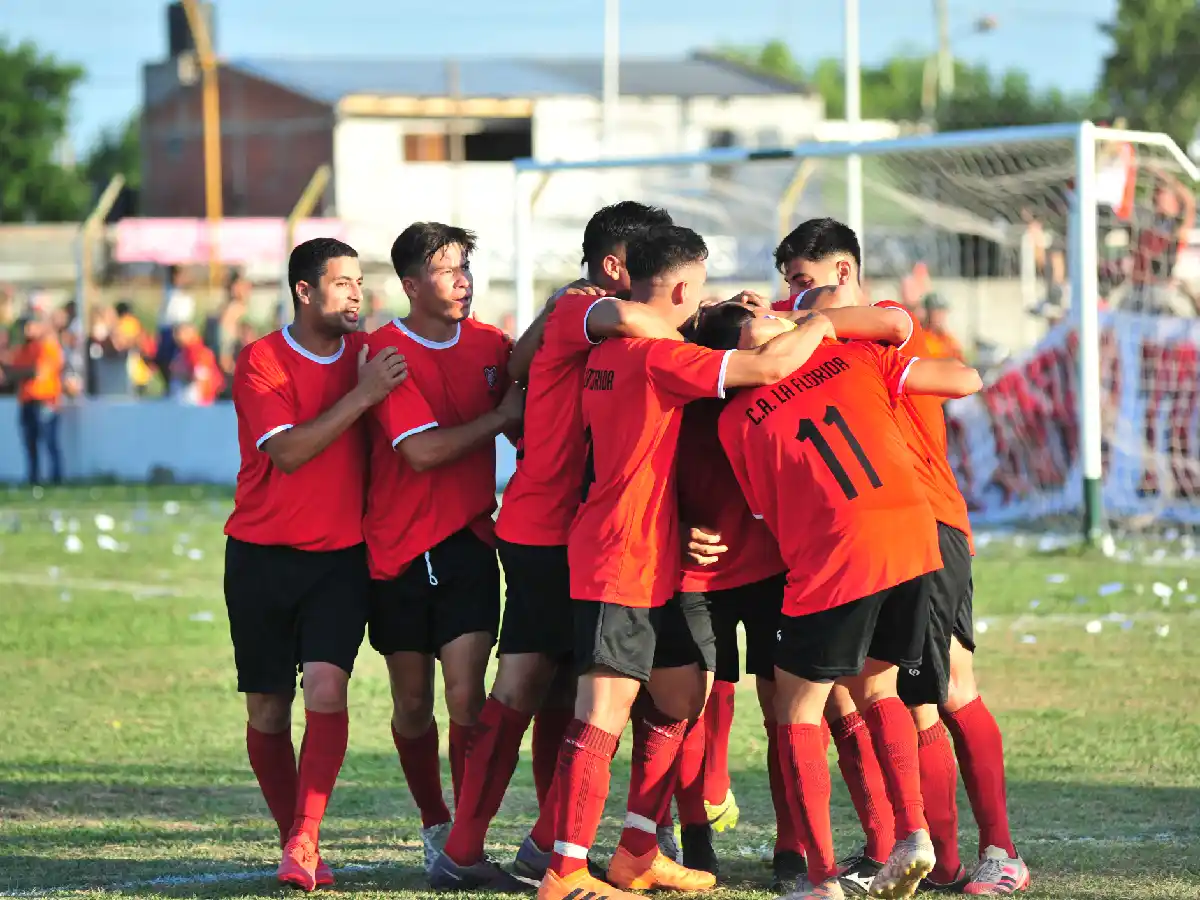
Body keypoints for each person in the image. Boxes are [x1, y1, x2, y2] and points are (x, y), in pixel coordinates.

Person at [536, 224, 841, 900]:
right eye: (697, 290)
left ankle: (639, 850)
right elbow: (764, 368)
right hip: (618, 555)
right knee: (602, 712)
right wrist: (816, 321)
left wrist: (712, 315)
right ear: (680, 288)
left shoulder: (613, 345)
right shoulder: (654, 356)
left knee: (680, 693)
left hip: (651, 559)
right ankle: (564, 869)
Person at [689, 301, 981, 900]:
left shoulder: (736, 419)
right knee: (880, 688)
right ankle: (913, 835)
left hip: (841, 547)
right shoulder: (847, 355)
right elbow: (927, 350)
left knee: (797, 710)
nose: (773, 313)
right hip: (914, 535)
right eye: (757, 316)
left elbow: (767, 512)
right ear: (742, 349)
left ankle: (819, 877)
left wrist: (818, 323)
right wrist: (825, 328)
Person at [773, 218, 1028, 896]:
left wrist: (800, 315)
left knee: (948, 690)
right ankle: (925, 853)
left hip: (930, 523)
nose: (795, 295)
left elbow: (962, 374)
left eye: (806, 280)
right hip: (870, 536)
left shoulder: (881, 320)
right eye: (788, 284)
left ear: (845, 273)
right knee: (887, 694)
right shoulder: (823, 340)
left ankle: (999, 851)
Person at [428, 202, 680, 889]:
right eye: (649, 262)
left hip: (574, 527)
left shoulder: (583, 316)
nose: (660, 279)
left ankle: (546, 841)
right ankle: (469, 848)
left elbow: (519, 364)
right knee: (532, 685)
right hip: (548, 529)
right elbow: (543, 353)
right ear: (612, 266)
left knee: (570, 688)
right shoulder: (587, 308)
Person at [223, 237, 408, 891]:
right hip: (260, 558)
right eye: (341, 283)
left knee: (327, 689)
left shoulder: (372, 353)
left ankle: (304, 839)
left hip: (340, 559)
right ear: (304, 291)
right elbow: (291, 453)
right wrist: (361, 397)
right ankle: (293, 840)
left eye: (360, 282)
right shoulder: (261, 359)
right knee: (269, 711)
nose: (356, 293)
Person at [362, 223, 524, 877]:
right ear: (409, 285)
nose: (464, 279)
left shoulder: (493, 344)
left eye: (466, 266)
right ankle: (434, 822)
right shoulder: (383, 353)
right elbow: (422, 452)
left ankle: (465, 837)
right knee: (411, 704)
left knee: (466, 696)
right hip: (396, 550)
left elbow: (533, 404)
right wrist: (499, 419)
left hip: (467, 544)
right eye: (448, 269)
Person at [2, 316, 65, 485]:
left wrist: (18, 373)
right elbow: (10, 373)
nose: (27, 331)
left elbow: (37, 372)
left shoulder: (48, 347)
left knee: (49, 442)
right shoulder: (23, 350)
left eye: (30, 326)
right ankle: (33, 478)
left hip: (45, 401)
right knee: (30, 443)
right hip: (26, 401)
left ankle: (56, 478)